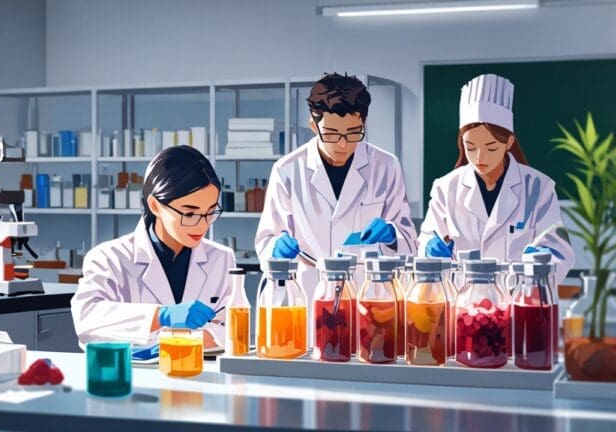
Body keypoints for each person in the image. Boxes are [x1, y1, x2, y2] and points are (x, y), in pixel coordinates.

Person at [255, 73, 417, 315]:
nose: (343, 144)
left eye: (353, 132)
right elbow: (266, 240)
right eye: (331, 133)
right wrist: (276, 249)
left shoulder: (385, 166)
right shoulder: (288, 170)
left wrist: (392, 234)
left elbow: (409, 242)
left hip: (369, 297)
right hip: (309, 297)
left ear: (364, 123)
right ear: (313, 125)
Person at [71, 146, 235, 354]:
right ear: (155, 205)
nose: (202, 225)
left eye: (210, 212)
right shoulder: (109, 258)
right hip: (135, 377)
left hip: (202, 374)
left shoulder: (221, 259)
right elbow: (88, 319)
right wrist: (161, 316)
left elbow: (231, 330)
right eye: (190, 214)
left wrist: (163, 339)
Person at [418, 73, 574, 283]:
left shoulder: (539, 187)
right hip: (463, 305)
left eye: (491, 147)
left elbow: (560, 251)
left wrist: (540, 261)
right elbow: (426, 242)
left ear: (509, 141)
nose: (480, 158)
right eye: (470, 147)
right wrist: (429, 250)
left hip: (516, 302)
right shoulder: (446, 188)